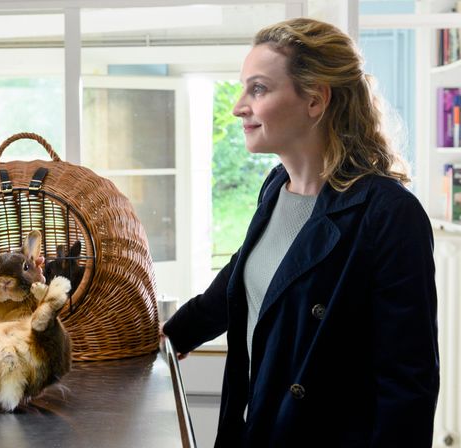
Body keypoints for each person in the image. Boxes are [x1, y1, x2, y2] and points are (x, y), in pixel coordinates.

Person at [163, 18, 439, 447]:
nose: (239, 106)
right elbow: (243, 281)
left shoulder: (388, 214)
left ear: (315, 99)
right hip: (258, 429)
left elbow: (408, 384)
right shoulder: (275, 187)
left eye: (258, 89)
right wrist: (164, 337)